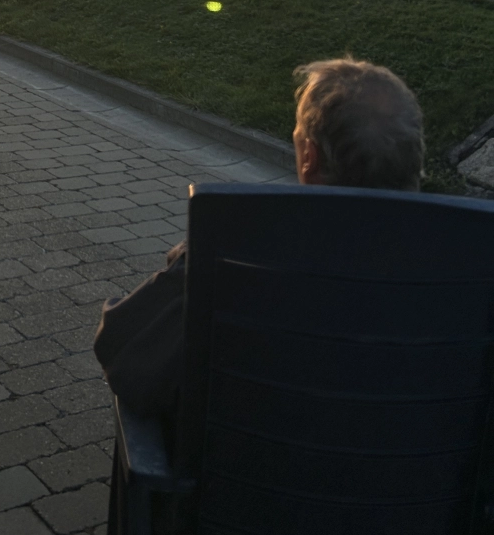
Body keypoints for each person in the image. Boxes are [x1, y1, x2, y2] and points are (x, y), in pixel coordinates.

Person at [94, 57, 426, 433]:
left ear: (308, 158)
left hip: (245, 485)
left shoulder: (235, 248)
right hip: (422, 488)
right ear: (415, 161)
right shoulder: (469, 267)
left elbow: (125, 353)